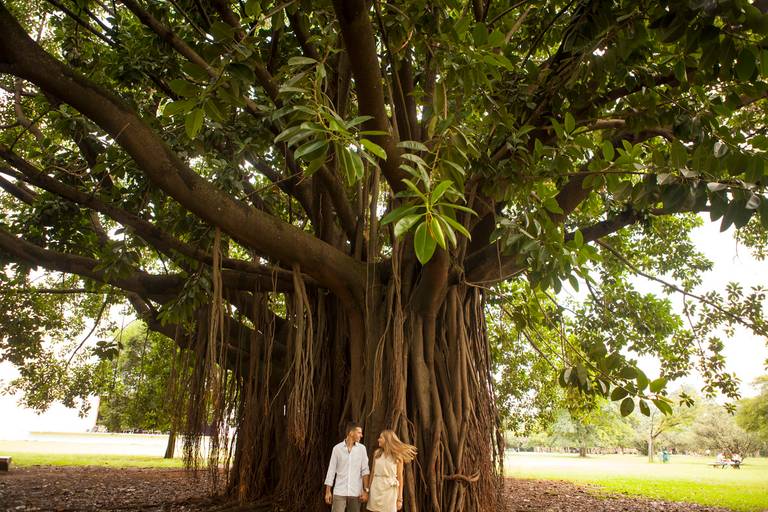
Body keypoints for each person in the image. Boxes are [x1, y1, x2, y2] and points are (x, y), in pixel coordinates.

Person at [324, 422, 370, 512]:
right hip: (339, 491)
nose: (361, 435)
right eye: (359, 432)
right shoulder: (337, 449)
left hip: (356, 492)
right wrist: (328, 491)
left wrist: (366, 491)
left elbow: (365, 471)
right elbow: (331, 470)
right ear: (351, 433)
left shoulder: (362, 449)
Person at [367, 430, 417, 512]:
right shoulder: (377, 453)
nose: (378, 439)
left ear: (387, 440)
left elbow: (400, 477)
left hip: (390, 489)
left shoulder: (397, 456)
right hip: (376, 487)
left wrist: (399, 499)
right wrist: (368, 490)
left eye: (381, 438)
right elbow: (372, 472)